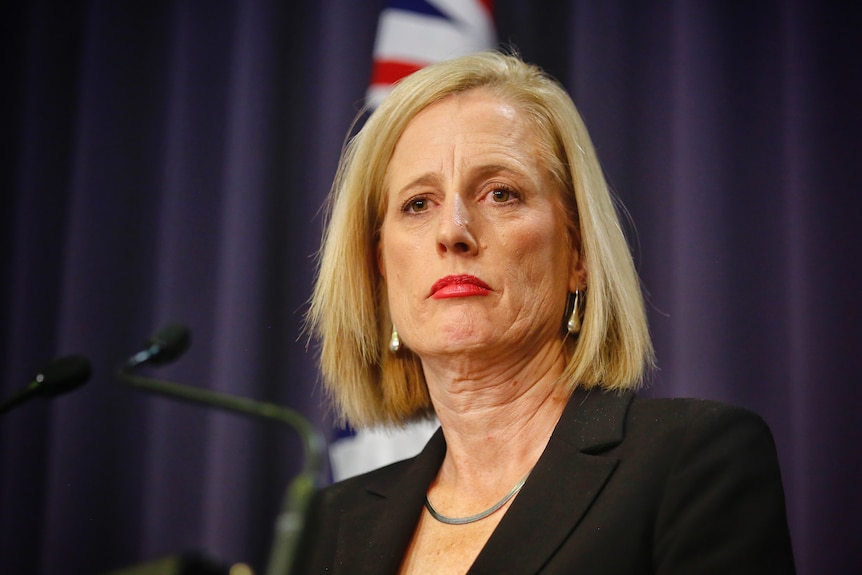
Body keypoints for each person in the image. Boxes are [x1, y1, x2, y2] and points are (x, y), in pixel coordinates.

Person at [297, 51, 795, 574]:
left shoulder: (693, 463)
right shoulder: (330, 525)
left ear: (577, 253)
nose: (453, 232)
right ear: (380, 265)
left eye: (500, 193)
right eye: (419, 204)